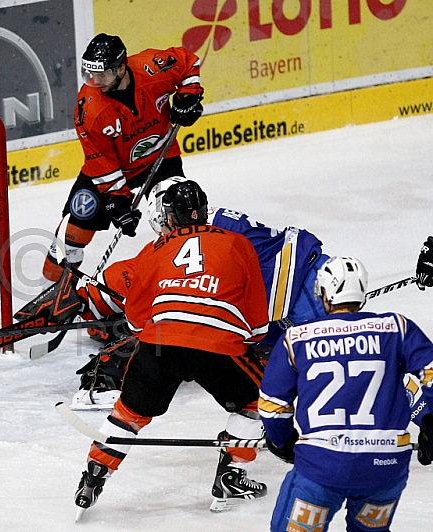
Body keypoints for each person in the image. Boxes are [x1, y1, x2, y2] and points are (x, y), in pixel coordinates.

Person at [70, 180, 271, 517]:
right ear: (205, 210)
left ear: (169, 216)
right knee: (258, 401)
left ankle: (94, 474)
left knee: (129, 414)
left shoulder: (155, 248)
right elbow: (257, 323)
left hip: (160, 344)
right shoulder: (238, 243)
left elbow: (136, 320)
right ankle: (231, 476)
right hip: (218, 345)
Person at [71, 179, 328, 409]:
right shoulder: (211, 225)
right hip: (304, 284)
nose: (164, 233)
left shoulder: (198, 239)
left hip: (304, 293)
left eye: (163, 226)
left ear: (169, 215)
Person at [259, 256, 433, 532]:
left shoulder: (297, 337)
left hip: (321, 465)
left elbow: (272, 407)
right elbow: (429, 372)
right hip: (384, 466)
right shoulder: (396, 328)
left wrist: (285, 442)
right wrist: (430, 420)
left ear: (326, 294)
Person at [40, 33, 205, 287]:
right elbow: (99, 159)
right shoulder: (89, 108)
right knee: (73, 231)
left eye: (102, 75)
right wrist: (117, 200)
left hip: (159, 159)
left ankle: (182, 282)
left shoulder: (152, 68)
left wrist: (188, 96)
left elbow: (187, 61)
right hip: (112, 171)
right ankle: (52, 294)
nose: (95, 81)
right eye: (91, 74)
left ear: (120, 68)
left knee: (177, 214)